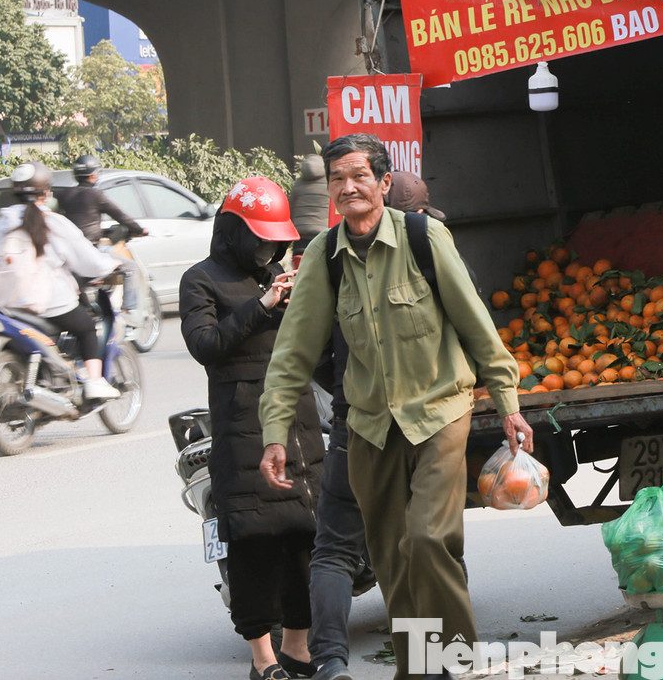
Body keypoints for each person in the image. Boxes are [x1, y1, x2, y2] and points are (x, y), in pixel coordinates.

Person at [258, 133, 533, 680]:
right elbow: (293, 353)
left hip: (438, 413)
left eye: (359, 176)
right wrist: (274, 430)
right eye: (338, 178)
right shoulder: (323, 257)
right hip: (370, 427)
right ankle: (420, 670)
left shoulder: (425, 238)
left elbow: (477, 325)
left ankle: (456, 664)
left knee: (429, 541)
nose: (348, 187)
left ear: (384, 183)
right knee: (392, 564)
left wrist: (508, 401)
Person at [180, 175, 327, 680]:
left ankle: (299, 648)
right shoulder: (200, 279)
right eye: (260, 237)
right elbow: (206, 345)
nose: (269, 247)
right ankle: (263, 659)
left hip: (298, 420)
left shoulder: (281, 276)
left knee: (305, 537)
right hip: (240, 423)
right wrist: (260, 308)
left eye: (275, 239)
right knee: (252, 541)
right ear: (234, 231)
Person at [0, 161, 122, 400]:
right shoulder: (53, 222)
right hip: (50, 303)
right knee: (87, 328)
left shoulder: (3, 222)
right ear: (47, 192)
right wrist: (111, 264)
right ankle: (93, 382)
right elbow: (87, 261)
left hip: (10, 305)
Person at [57, 153, 149, 317]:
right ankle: (129, 312)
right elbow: (120, 216)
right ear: (93, 175)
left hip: (67, 255)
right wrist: (140, 229)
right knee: (130, 268)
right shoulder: (96, 195)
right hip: (91, 253)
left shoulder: (63, 196)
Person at [288, 152, 331, 245]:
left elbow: (291, 207)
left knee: (299, 258)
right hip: (322, 231)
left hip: (300, 231)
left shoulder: (299, 183)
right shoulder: (329, 182)